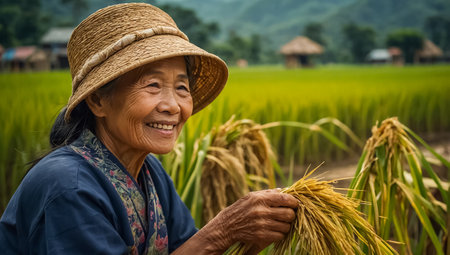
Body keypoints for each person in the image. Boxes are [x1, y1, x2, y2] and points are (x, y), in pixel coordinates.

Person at [0, 3, 297, 254]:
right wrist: (222, 232)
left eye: (182, 87)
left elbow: (185, 246)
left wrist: (245, 236)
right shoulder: (68, 187)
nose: (172, 105)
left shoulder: (149, 171)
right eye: (152, 85)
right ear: (97, 100)